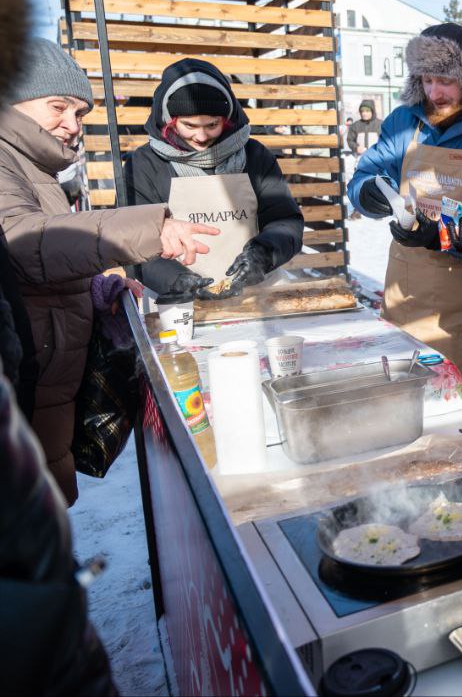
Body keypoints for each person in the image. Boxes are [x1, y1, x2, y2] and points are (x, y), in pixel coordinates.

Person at [1, 41, 217, 505]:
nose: (72, 124)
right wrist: (149, 229)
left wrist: (93, 287)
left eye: (80, 113)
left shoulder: (31, 164)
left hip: (43, 396)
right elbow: (22, 241)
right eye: (58, 107)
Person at [347, 24, 462, 401]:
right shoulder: (404, 123)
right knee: (398, 405)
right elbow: (367, 174)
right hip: (404, 298)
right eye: (427, 79)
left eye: (446, 81)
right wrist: (368, 192)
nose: (435, 92)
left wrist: (438, 234)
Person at [124, 59, 304, 300]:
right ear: (169, 121)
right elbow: (134, 242)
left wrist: (264, 253)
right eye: (189, 125)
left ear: (227, 119)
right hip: (178, 300)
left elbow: (285, 220)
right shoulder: (144, 164)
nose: (201, 136)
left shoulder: (255, 156)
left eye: (212, 125)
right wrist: (176, 280)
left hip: (258, 295)